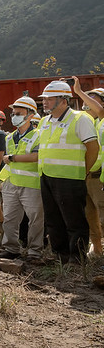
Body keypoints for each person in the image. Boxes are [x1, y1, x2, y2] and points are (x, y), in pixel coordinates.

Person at [37, 80, 99, 263]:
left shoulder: (80, 119)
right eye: (44, 99)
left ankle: (77, 258)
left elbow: (93, 148)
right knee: (53, 219)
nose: (45, 102)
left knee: (74, 221)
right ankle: (60, 255)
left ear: (64, 100)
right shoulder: (44, 121)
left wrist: (83, 170)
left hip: (70, 178)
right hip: (47, 176)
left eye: (49, 98)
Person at [0, 96, 43, 260]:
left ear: (30, 115)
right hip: (12, 183)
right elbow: (7, 163)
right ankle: (11, 248)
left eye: (18, 113)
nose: (14, 116)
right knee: (9, 219)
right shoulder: (9, 137)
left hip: (32, 184)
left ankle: (34, 251)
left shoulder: (39, 135)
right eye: (13, 113)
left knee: (35, 220)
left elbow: (37, 156)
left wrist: (13, 158)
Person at [70, 78, 104, 257]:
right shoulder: (82, 121)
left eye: (93, 99)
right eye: (86, 99)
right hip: (85, 176)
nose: (86, 103)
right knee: (90, 215)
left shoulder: (101, 121)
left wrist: (79, 92)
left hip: (100, 177)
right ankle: (97, 248)